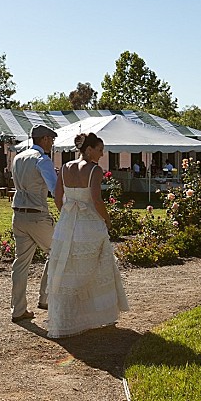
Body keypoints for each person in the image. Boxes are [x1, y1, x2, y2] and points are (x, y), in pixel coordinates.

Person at [46, 132, 129, 338]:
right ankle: (94, 315)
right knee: (96, 268)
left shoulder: (65, 167)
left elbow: (57, 196)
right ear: (89, 149)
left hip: (66, 224)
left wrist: (65, 213)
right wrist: (107, 220)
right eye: (100, 150)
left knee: (66, 270)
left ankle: (67, 319)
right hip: (89, 225)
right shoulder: (94, 170)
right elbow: (97, 200)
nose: (102, 154)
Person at [10, 124, 58, 323]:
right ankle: (45, 298)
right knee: (56, 252)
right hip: (37, 214)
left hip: (18, 214)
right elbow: (55, 189)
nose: (53, 143)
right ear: (45, 139)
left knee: (20, 263)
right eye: (51, 139)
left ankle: (18, 309)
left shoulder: (18, 157)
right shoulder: (42, 160)